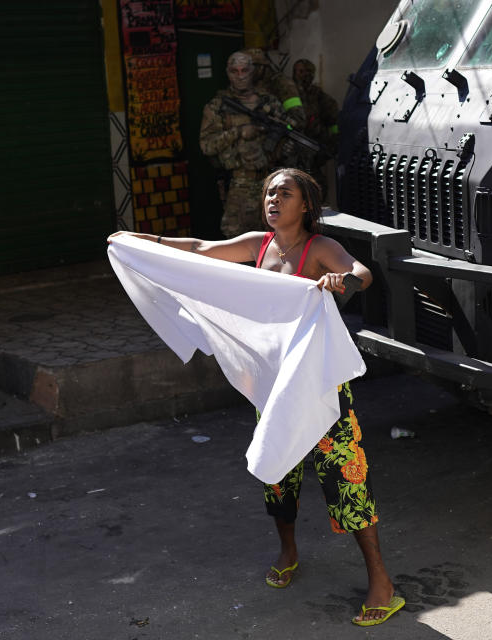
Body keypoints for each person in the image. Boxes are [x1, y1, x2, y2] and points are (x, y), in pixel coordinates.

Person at [108, 168, 404, 626]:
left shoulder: (318, 248)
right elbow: (202, 251)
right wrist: (142, 240)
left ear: (305, 205)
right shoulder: (257, 245)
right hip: (276, 384)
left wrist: (340, 280)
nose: (272, 199)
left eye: (284, 193)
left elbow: (361, 270)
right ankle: (288, 552)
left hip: (321, 383)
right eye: (269, 192)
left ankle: (382, 582)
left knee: (345, 479)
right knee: (277, 471)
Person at [199, 51, 289, 237]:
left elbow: (286, 133)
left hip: (272, 181)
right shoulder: (217, 106)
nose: (240, 76)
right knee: (239, 240)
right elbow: (206, 145)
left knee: (277, 237)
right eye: (234, 71)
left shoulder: (269, 103)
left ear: (252, 71)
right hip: (240, 183)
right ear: (227, 72)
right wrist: (238, 132)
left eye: (244, 70)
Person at [293, 58, 340, 200]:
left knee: (317, 188)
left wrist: (333, 142)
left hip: (312, 150)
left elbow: (332, 115)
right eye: (300, 71)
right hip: (291, 150)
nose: (304, 75)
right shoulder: (288, 91)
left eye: (308, 71)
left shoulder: (317, 94)